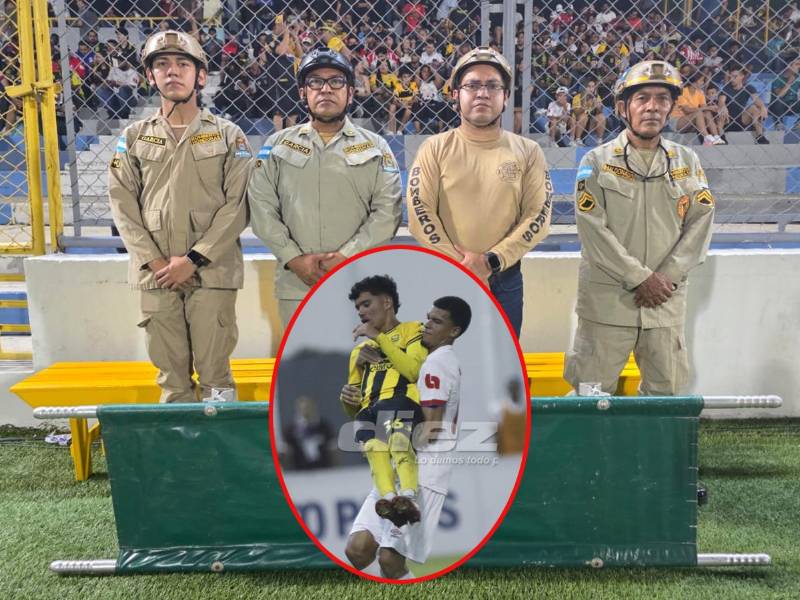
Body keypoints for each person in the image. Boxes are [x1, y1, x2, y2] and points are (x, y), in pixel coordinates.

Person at [108, 31, 251, 403]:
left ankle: (218, 456)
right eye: (162, 64)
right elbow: (122, 204)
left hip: (211, 272)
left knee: (216, 377)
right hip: (155, 276)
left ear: (200, 76)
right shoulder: (134, 137)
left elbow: (238, 206)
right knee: (171, 381)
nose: (172, 72)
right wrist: (157, 262)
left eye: (183, 64)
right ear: (151, 77)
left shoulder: (228, 136)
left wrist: (193, 259)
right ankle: (178, 459)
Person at [564, 61, 715, 396]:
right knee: (590, 395)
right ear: (623, 107)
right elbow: (592, 231)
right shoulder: (596, 161)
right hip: (607, 304)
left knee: (665, 396)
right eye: (642, 97)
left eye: (662, 98)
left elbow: (701, 222)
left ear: (671, 107)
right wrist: (641, 278)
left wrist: (666, 277)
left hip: (664, 302)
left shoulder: (687, 161)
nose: (652, 106)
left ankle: (651, 452)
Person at [248, 49, 402, 325]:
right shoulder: (277, 145)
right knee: (303, 366)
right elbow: (261, 207)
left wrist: (346, 257)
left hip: (361, 286)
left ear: (351, 93)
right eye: (315, 82)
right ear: (302, 93)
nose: (326, 89)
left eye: (336, 82)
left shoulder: (376, 146)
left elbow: (387, 212)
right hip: (297, 286)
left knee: (363, 363)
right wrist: (293, 258)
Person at [406, 47, 552, 337]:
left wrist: (491, 262)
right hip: (445, 273)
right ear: (456, 95)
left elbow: (539, 215)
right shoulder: (434, 149)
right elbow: (419, 213)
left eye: (492, 86)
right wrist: (463, 266)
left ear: (506, 97)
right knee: (441, 366)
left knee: (501, 367)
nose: (482, 93)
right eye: (472, 85)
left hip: (504, 279)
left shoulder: (528, 152)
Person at [344, 294, 471, 580]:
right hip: (401, 467)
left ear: (454, 332)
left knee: (389, 560)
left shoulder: (435, 364)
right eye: (428, 317)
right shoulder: (425, 360)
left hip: (424, 473)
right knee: (358, 550)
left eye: (437, 322)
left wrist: (389, 440)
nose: (427, 325)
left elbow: (432, 426)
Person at [340, 276, 428, 529]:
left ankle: (409, 496)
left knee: (399, 443)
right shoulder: (359, 351)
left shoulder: (413, 330)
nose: (362, 312)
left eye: (366, 304)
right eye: (358, 308)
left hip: (401, 402)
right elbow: (353, 406)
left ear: (387, 302)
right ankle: (389, 500)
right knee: (372, 448)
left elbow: (412, 371)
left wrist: (380, 338)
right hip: (369, 411)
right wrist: (346, 397)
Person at [669, 71, 725, 145]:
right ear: (694, 82)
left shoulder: (700, 92)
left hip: (692, 119)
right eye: (701, 80)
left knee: (707, 112)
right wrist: (708, 108)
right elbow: (687, 110)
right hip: (677, 120)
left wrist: (710, 108)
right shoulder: (682, 92)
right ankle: (707, 138)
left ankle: (716, 136)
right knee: (699, 113)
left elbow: (704, 108)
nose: (702, 83)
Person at [719, 66, 770, 144]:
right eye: (730, 77)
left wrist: (763, 107)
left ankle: (760, 136)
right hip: (727, 119)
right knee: (721, 110)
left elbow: (756, 99)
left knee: (754, 108)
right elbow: (721, 101)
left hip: (741, 119)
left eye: (735, 77)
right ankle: (721, 136)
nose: (732, 79)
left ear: (742, 76)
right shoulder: (727, 88)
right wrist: (723, 106)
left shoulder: (748, 87)